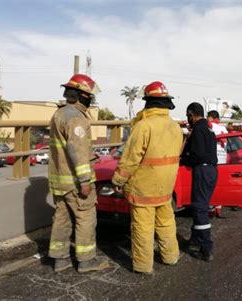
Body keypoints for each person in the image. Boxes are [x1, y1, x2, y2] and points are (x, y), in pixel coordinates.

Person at [111, 81, 183, 274]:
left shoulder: (143, 126)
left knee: (143, 228)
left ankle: (143, 266)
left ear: (148, 102)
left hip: (144, 188)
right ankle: (171, 256)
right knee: (166, 223)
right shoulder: (176, 127)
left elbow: (130, 159)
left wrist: (118, 180)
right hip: (166, 187)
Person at [48, 74, 109, 273]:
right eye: (89, 95)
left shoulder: (59, 114)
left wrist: (91, 156)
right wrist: (84, 180)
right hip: (75, 182)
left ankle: (60, 259)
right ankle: (86, 260)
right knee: (86, 217)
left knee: (62, 218)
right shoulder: (76, 118)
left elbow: (67, 149)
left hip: (60, 180)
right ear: (82, 95)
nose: (91, 99)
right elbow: (77, 150)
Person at [181, 102, 218, 262]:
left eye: (188, 116)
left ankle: (206, 247)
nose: (187, 119)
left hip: (202, 170)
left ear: (191, 114)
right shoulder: (208, 128)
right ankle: (195, 241)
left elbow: (195, 155)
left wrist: (182, 159)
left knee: (199, 209)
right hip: (211, 170)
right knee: (200, 205)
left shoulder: (198, 130)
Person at [206, 110, 228, 217]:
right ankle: (218, 208)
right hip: (223, 159)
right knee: (219, 185)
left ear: (210, 117)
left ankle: (210, 209)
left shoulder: (210, 126)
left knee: (210, 185)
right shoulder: (223, 128)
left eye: (207, 117)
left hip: (212, 160)